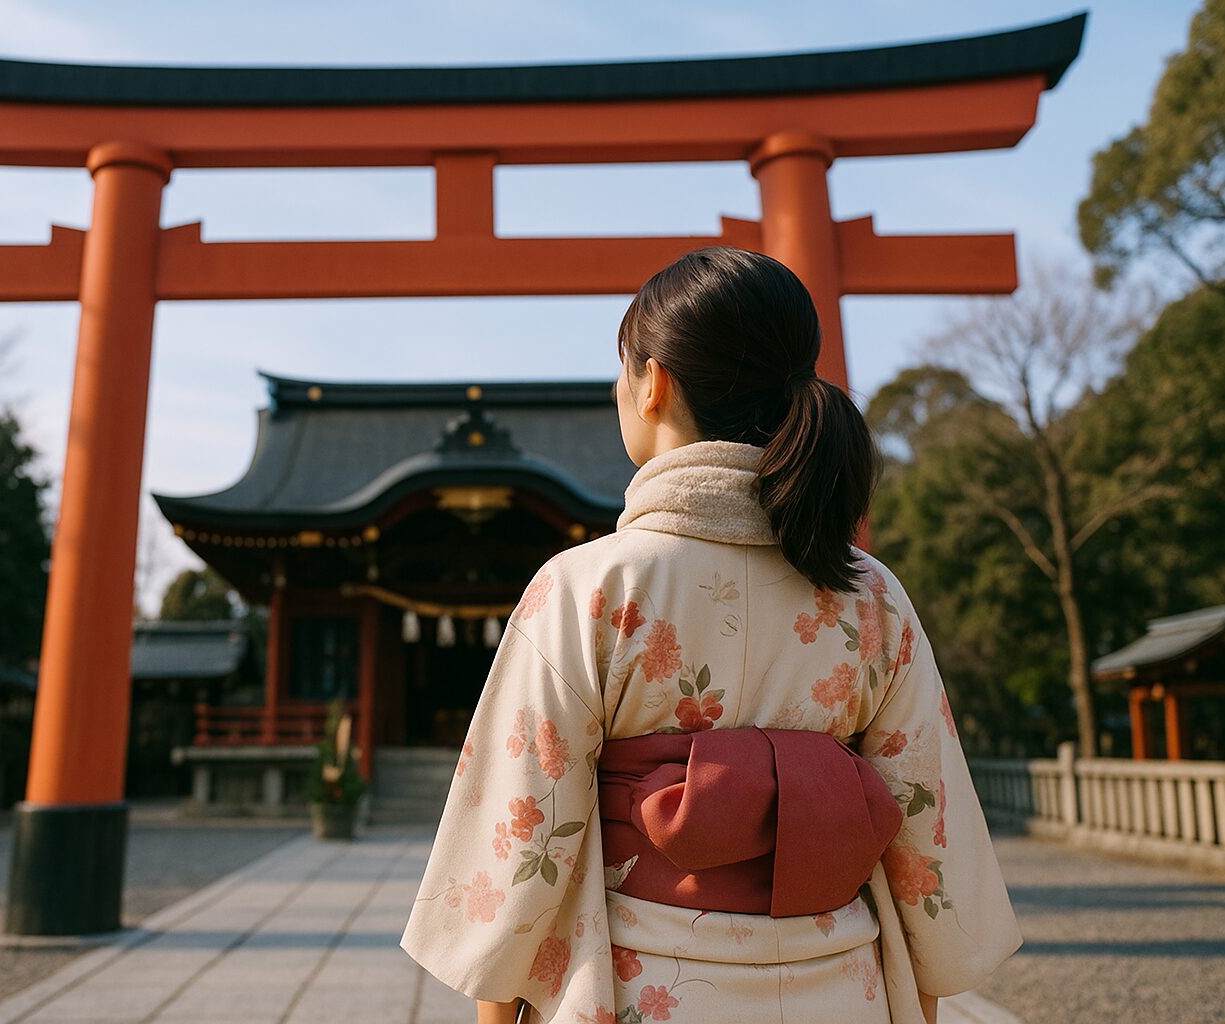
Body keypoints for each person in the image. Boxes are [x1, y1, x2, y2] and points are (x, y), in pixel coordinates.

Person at [398, 246, 1023, 1024]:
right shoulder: (872, 596)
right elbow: (925, 837)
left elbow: (523, 834)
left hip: (643, 984)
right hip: (840, 986)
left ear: (653, 381)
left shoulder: (591, 585)